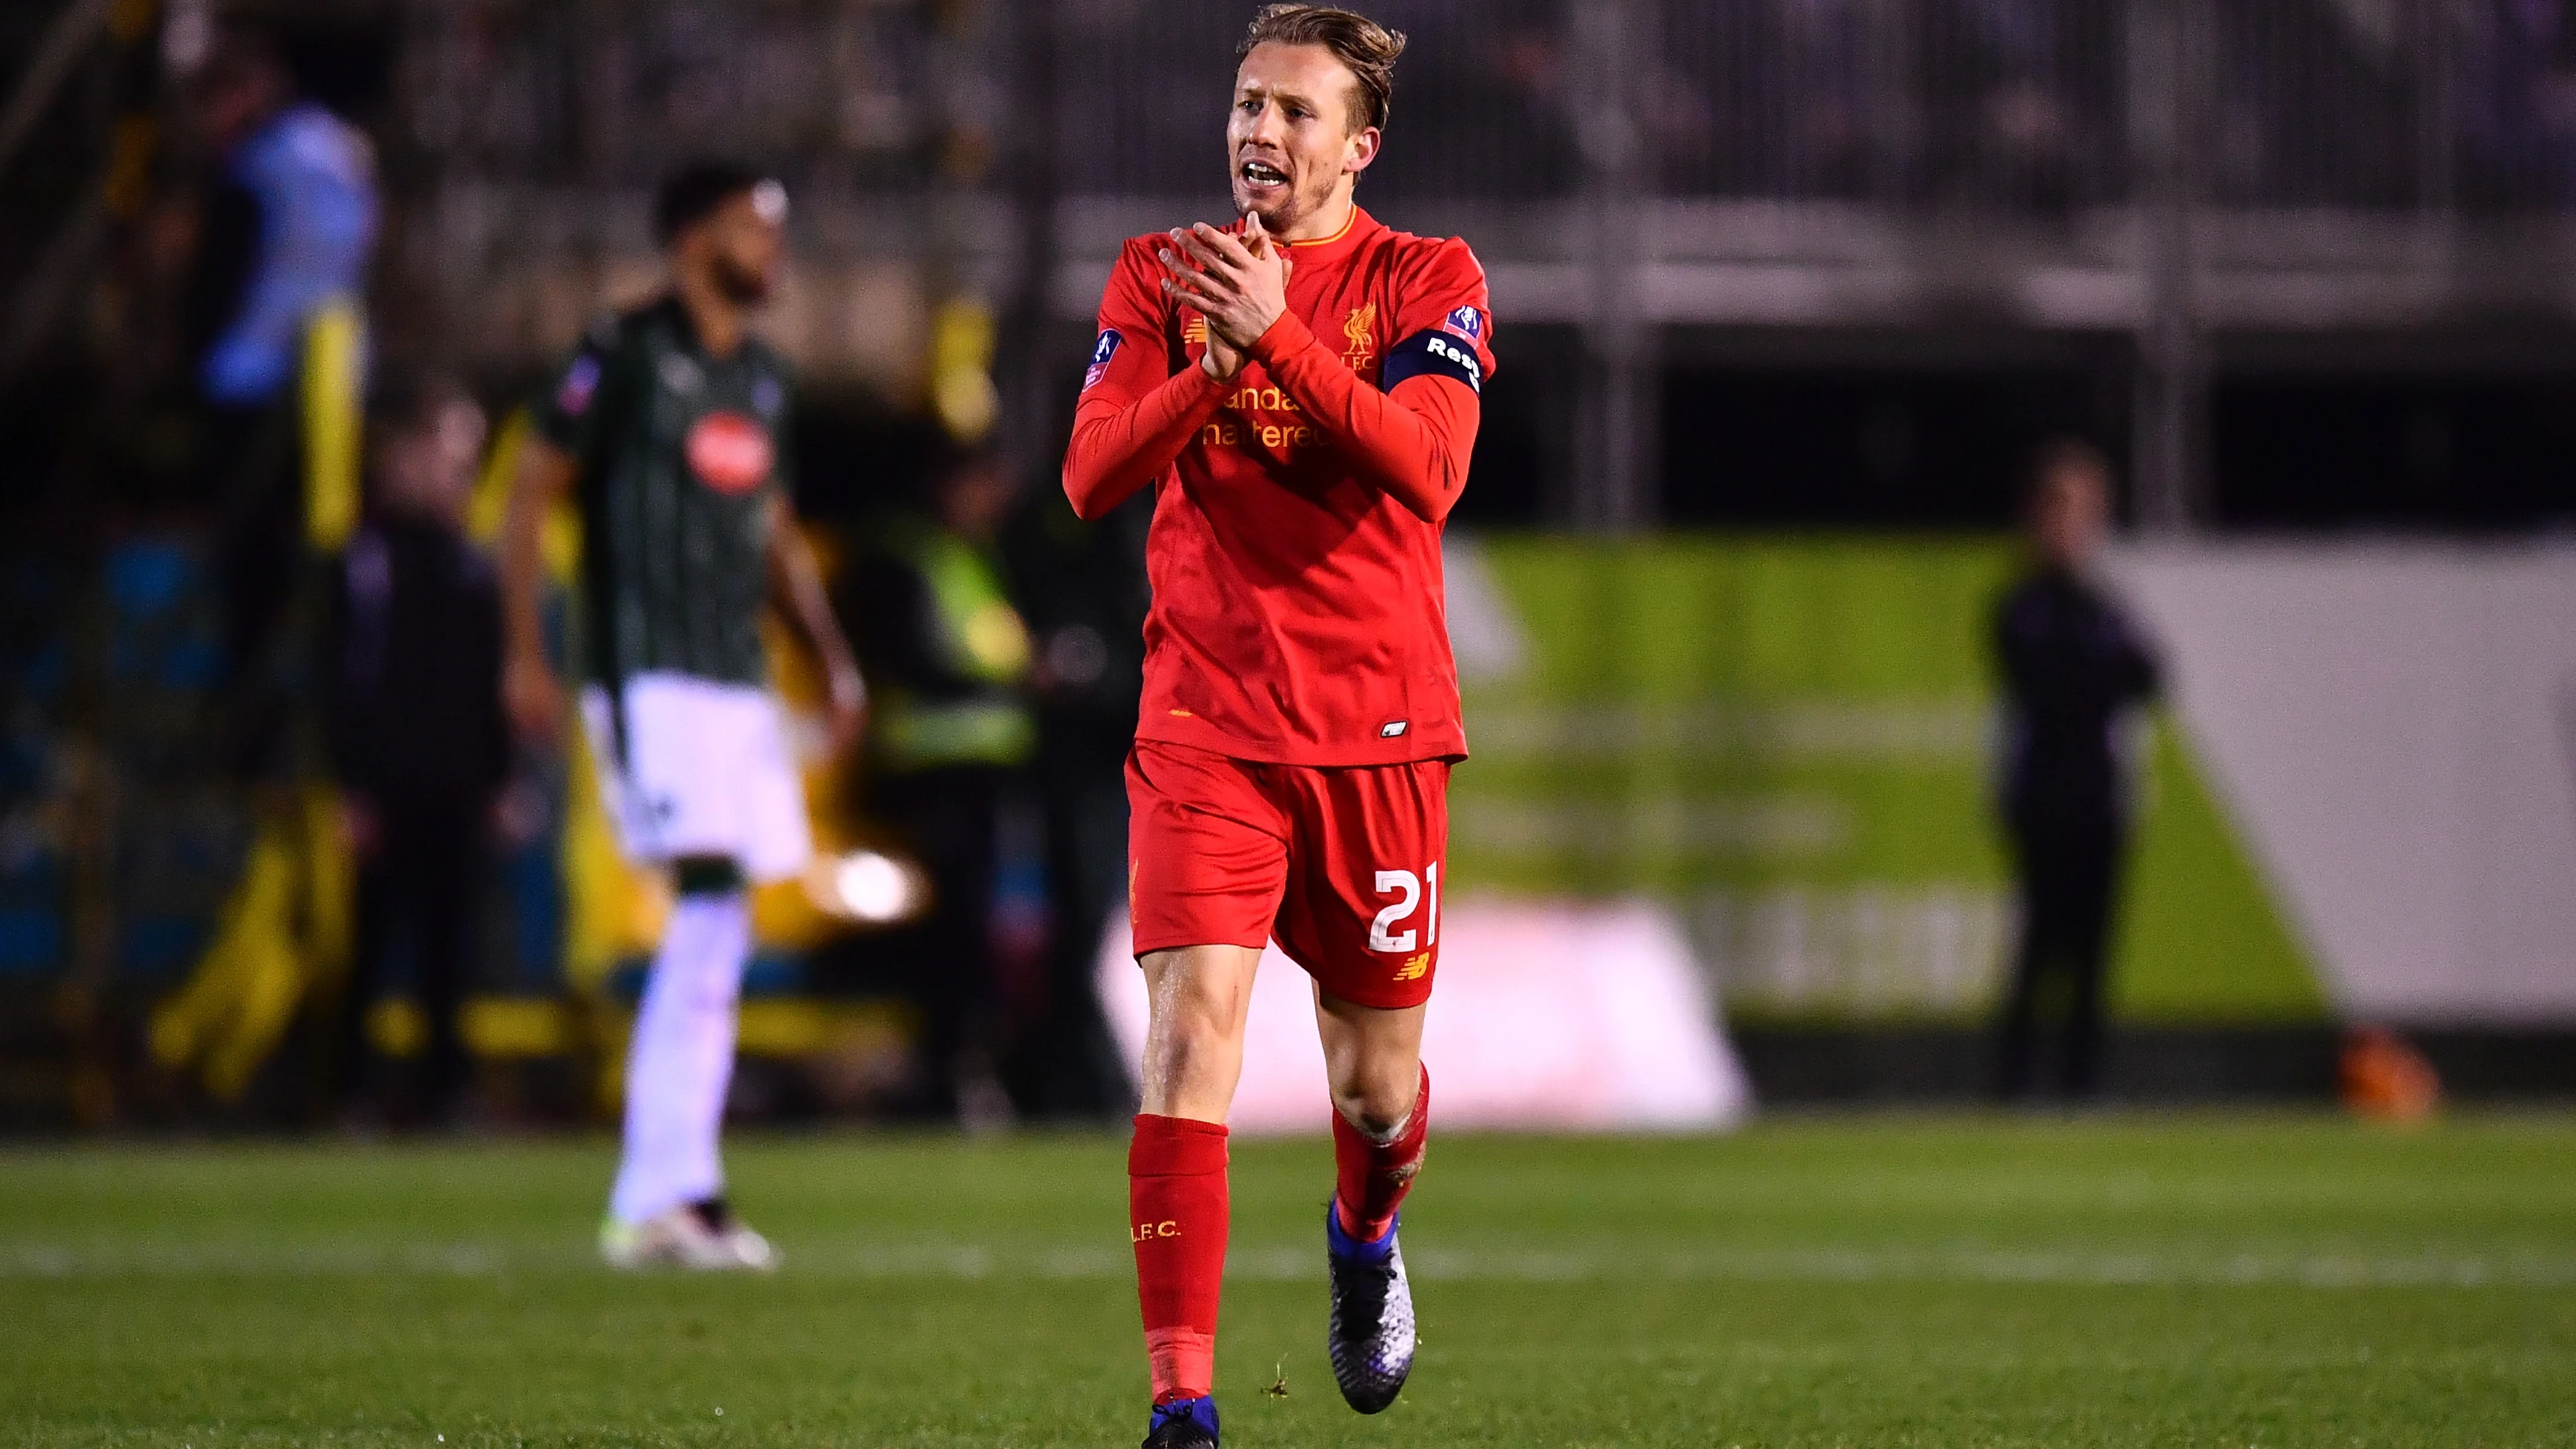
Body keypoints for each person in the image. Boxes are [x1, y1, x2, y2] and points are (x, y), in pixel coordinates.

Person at [1060, 7, 1494, 1444]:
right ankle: (1181, 1406)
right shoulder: (1156, 274)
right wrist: (1212, 365)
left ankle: (1365, 1243)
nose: (1262, 131)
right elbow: (1088, 476)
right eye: (1249, 103)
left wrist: (1281, 337)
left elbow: (1427, 466)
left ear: (1359, 145)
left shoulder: (1429, 276)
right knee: (1190, 1041)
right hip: (1207, 725)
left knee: (1375, 1092)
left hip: (1376, 734)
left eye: (1297, 113)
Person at [498, 161, 865, 1271]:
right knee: (708, 900)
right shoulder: (622, 348)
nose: (774, 249)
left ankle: (677, 1187)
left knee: (722, 923)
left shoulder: (760, 376)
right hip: (644, 672)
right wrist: (525, 649)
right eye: (758, 226)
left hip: (732, 676)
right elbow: (530, 490)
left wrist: (830, 653)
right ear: (695, 232)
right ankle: (661, 1189)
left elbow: (773, 531)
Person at [180, 28, 377, 744]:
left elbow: (219, 282)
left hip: (252, 382)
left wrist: (187, 361)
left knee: (252, 569)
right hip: (332, 380)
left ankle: (253, 729)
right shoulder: (340, 151)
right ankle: (333, 720)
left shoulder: (254, 170)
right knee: (326, 560)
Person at [327, 373, 507, 1129]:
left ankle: (448, 1091)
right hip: (388, 785)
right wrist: (351, 787)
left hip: (457, 785)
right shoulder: (366, 563)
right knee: (369, 945)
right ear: (400, 457)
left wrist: (501, 779)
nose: (460, 473)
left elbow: (490, 679)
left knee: (450, 948)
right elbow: (341, 680)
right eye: (445, 452)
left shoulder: (473, 565)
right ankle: (351, 1092)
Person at [842, 444, 1037, 1123]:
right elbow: (908, 660)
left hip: (981, 777)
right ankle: (935, 1076)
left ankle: (953, 1070)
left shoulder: (973, 556)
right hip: (930, 775)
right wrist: (1012, 680)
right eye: (984, 484)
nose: (994, 504)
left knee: (969, 932)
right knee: (945, 936)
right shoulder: (905, 555)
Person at [1991, 439, 2161, 1101]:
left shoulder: (2104, 604)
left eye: (2085, 511)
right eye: (2061, 510)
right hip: (2042, 799)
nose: (2072, 526)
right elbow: (2048, 681)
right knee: (2038, 948)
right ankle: (2015, 1083)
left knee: (2093, 953)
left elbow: (2150, 675)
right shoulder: (2024, 604)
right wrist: (2098, 674)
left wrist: (2097, 672)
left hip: (2099, 798)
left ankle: (2082, 1085)